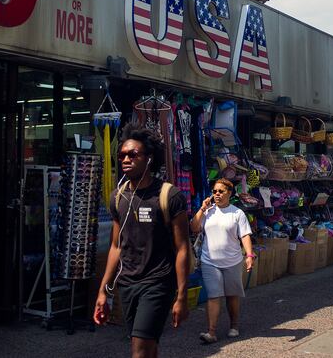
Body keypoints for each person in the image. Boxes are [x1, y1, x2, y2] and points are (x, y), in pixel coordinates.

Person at [93, 123, 190, 358]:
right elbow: (116, 246)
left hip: (157, 282)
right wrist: (104, 291)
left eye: (133, 154)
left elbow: (182, 249)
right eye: (122, 155)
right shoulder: (118, 197)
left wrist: (182, 295)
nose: (126, 159)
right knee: (149, 345)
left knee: (138, 349)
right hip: (127, 283)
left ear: (148, 159)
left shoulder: (169, 196)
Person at [190, 178, 254, 344]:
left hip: (232, 261)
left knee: (232, 296)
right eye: (214, 191)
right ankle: (211, 332)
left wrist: (249, 255)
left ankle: (234, 325)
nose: (217, 194)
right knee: (213, 295)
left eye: (221, 191)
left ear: (229, 193)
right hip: (209, 261)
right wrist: (202, 208)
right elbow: (194, 228)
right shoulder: (208, 211)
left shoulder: (237, 213)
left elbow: (245, 235)